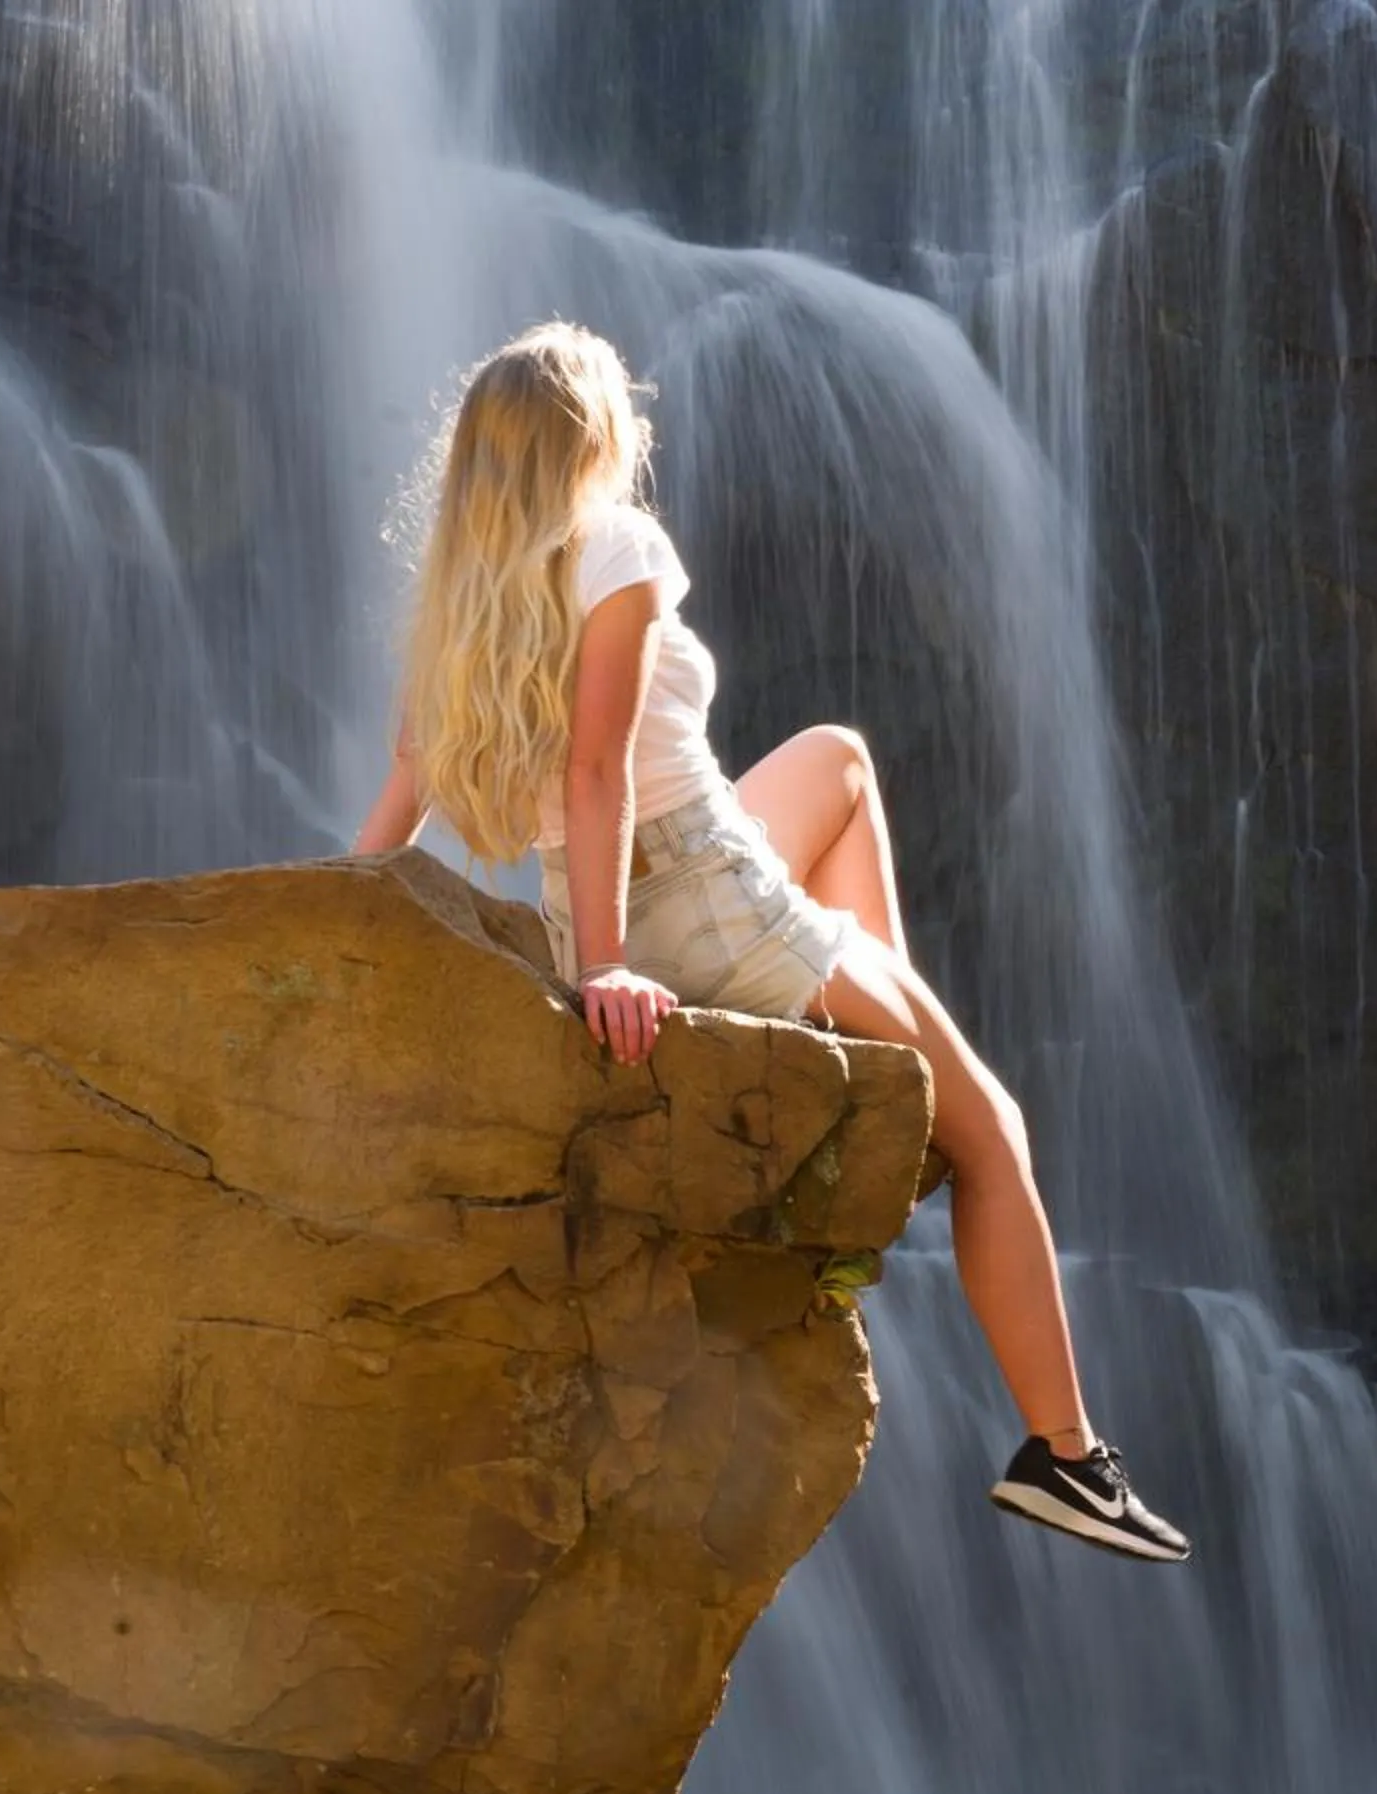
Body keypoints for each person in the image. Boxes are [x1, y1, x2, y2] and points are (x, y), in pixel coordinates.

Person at [351, 321, 1189, 1565]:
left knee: (839, 759)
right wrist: (604, 970)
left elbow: (410, 785)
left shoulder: (461, 594)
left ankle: (879, 1095)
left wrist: (342, 906)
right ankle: (1067, 1456)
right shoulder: (619, 547)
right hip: (696, 896)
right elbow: (595, 772)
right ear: (595, 440)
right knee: (998, 1132)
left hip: (644, 882)